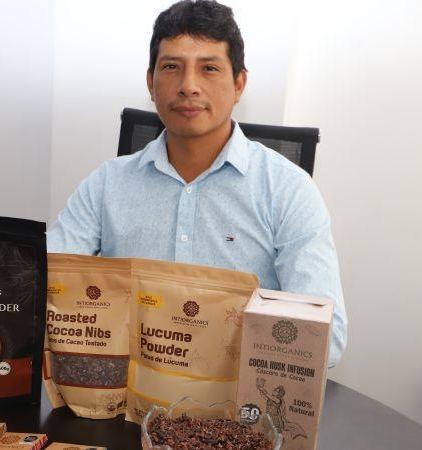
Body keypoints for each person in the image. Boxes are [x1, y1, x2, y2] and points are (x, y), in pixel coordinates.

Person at [47, 0, 347, 366]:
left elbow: (326, 338)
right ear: (150, 82)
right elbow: (44, 287)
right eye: (171, 67)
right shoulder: (107, 184)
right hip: (125, 392)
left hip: (233, 394)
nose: (188, 86)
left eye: (209, 68)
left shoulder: (287, 190)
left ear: (239, 84)